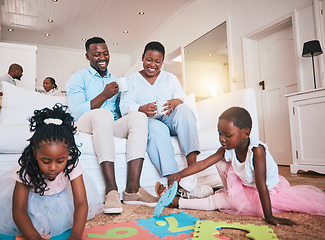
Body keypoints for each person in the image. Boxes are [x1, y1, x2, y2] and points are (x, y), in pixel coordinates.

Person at [157, 107, 325, 226]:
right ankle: (227, 192)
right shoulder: (227, 148)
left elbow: (261, 183)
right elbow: (203, 163)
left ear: (246, 133)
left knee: (214, 202)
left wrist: (269, 216)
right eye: (219, 134)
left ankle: (177, 203)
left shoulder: (257, 151)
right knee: (220, 162)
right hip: (244, 184)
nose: (222, 139)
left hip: (263, 192)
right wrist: (179, 174)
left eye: (227, 135)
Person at [0, 104, 102, 239]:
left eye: (60, 161)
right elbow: (19, 211)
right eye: (45, 161)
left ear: (68, 154)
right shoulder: (26, 168)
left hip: (61, 203)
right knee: (19, 224)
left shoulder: (71, 163)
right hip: (32, 206)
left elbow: (81, 203)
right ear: (35, 152)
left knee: (74, 219)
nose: (53, 167)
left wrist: (76, 235)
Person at [66, 37, 158, 214]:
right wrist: (103, 95)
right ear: (87, 56)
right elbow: (76, 113)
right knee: (103, 114)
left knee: (138, 117)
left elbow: (122, 111)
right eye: (97, 54)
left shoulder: (116, 80)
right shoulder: (78, 78)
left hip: (109, 123)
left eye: (105, 53)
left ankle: (133, 189)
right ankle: (111, 190)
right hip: (85, 123)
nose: (102, 57)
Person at [120, 41, 213, 198]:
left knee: (183, 109)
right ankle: (173, 178)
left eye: (158, 61)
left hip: (169, 117)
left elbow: (182, 99)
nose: (153, 65)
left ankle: (192, 170)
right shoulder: (131, 80)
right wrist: (140, 108)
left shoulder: (170, 78)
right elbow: (124, 105)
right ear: (142, 58)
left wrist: (175, 102)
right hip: (148, 120)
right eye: (149, 60)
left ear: (162, 62)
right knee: (156, 128)